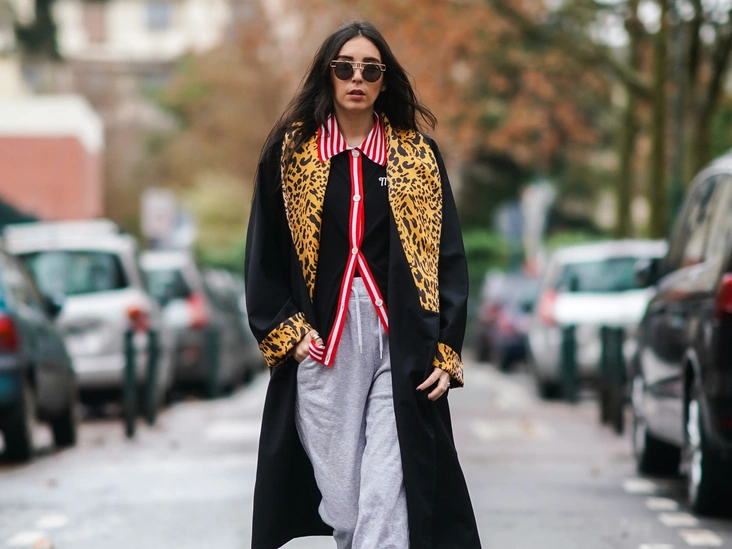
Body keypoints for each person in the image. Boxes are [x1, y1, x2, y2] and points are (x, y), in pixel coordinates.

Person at [244, 19, 481, 549]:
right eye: (345, 67)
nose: (357, 78)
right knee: (347, 508)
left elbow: (448, 256)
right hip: (324, 346)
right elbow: (264, 256)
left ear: (383, 80)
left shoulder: (416, 157)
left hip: (402, 342)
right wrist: (290, 335)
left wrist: (445, 349)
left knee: (385, 492)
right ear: (326, 74)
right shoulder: (290, 154)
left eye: (370, 69)